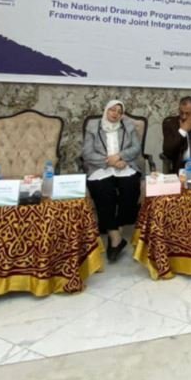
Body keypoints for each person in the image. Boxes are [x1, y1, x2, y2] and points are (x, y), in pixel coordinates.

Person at [81, 100, 143, 262]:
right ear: (106, 111)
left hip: (124, 165)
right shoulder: (93, 126)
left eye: (119, 111)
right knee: (103, 190)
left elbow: (136, 148)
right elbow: (87, 153)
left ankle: (115, 230)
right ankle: (115, 237)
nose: (115, 114)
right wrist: (109, 162)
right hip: (100, 167)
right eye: (112, 110)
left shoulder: (127, 126)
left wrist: (120, 157)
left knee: (131, 186)